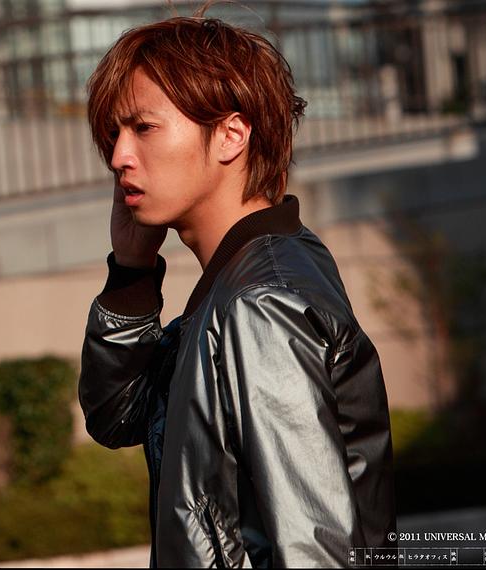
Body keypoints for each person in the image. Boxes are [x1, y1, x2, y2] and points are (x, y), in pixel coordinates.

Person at [77, 7, 397, 568]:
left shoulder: (260, 303)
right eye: (114, 134)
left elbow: (314, 550)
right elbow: (118, 416)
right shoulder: (254, 272)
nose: (119, 157)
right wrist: (130, 272)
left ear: (231, 135)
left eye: (143, 128)